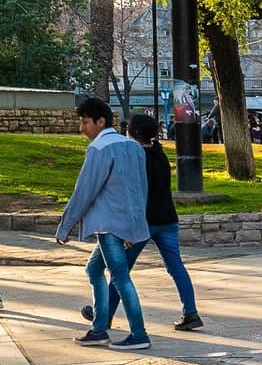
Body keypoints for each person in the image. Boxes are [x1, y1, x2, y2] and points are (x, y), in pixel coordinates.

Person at [81, 114, 204, 333]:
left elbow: (135, 194)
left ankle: (105, 314)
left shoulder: (136, 157)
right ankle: (191, 312)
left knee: (121, 271)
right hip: (168, 219)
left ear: (134, 133)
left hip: (143, 222)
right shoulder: (160, 154)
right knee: (176, 267)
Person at [56, 98, 153, 351]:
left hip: (108, 224)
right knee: (94, 269)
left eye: (85, 122)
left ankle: (138, 333)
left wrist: (64, 228)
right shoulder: (133, 147)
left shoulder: (99, 149)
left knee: (120, 278)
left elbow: (84, 191)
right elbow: (141, 189)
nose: (81, 128)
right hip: (125, 223)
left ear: (100, 122)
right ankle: (99, 329)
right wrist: (135, 227)